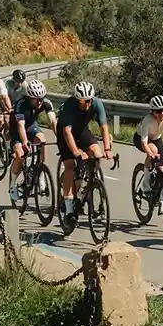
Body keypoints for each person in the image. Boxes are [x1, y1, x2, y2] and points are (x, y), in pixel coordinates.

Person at [57, 80, 113, 226]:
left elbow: (104, 127)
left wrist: (107, 148)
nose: (87, 103)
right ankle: (69, 210)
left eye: (89, 100)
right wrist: (76, 152)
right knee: (70, 166)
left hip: (81, 130)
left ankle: (88, 182)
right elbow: (67, 132)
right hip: (65, 132)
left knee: (96, 152)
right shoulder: (70, 106)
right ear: (77, 99)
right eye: (83, 101)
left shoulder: (96, 103)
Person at [9, 77, 56, 204]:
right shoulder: (21, 104)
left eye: (42, 98)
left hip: (31, 125)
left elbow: (53, 122)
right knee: (20, 154)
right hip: (17, 128)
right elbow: (20, 126)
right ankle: (13, 185)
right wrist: (24, 142)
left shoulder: (46, 103)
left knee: (42, 140)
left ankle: (40, 172)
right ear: (30, 97)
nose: (40, 102)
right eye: (37, 99)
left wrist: (60, 139)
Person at [133, 95, 163, 196]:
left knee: (161, 168)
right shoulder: (147, 120)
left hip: (156, 139)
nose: (162, 114)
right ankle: (146, 185)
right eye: (158, 111)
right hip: (140, 138)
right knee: (153, 151)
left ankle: (158, 194)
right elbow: (144, 143)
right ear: (153, 112)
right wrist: (151, 154)